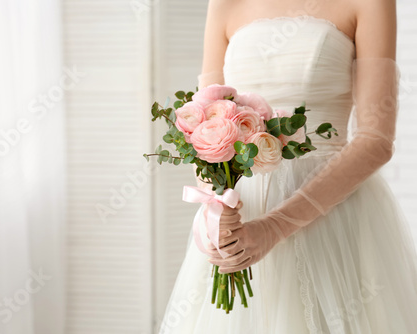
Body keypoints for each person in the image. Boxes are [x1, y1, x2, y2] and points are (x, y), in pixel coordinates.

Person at [159, 0, 417, 333]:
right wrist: (217, 215)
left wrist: (274, 227)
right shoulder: (223, 4)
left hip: (331, 215)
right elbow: (205, 121)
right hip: (243, 212)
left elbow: (376, 140)